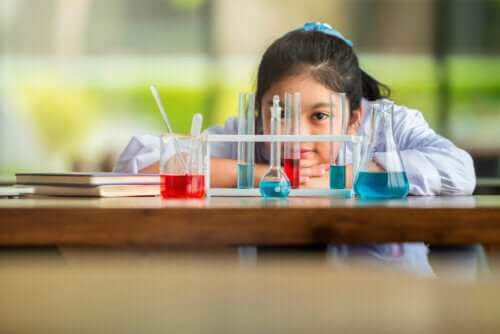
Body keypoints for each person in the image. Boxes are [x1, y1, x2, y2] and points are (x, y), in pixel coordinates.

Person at [114, 22, 476, 275]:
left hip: (388, 303)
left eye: (318, 116)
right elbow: (138, 162)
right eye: (280, 112)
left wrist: (343, 177)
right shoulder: (250, 134)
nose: (294, 136)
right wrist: (266, 174)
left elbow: (458, 169)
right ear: (260, 110)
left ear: (354, 118)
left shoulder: (387, 125)